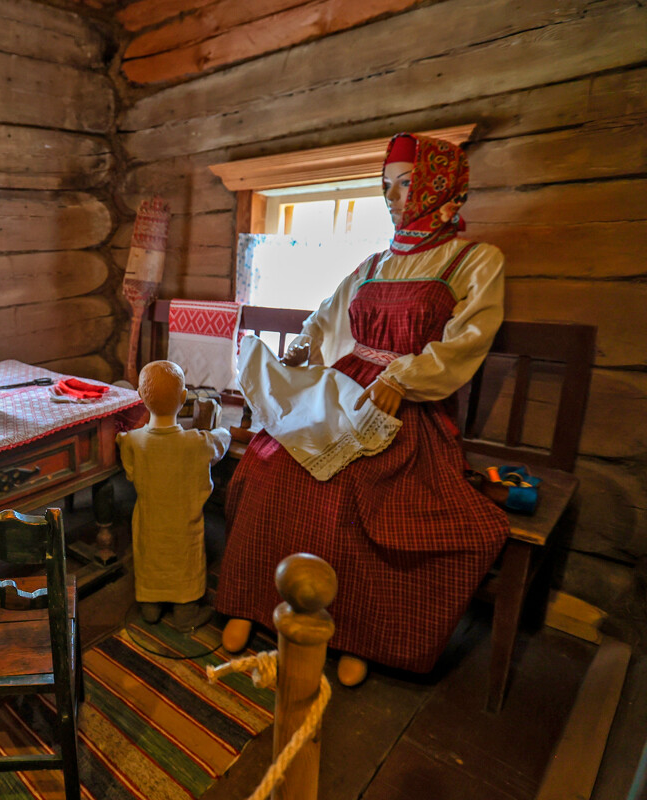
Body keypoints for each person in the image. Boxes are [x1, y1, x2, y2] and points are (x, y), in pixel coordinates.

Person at [216, 133, 510, 686]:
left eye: (407, 183)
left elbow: (470, 338)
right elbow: (329, 317)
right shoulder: (374, 263)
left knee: (364, 490)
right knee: (270, 464)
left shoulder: (474, 260)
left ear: (439, 185)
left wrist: (405, 375)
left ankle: (357, 633)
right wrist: (305, 344)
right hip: (346, 386)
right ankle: (251, 603)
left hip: (405, 403)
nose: (394, 197)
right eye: (386, 186)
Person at [118, 361, 231, 629]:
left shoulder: (133, 442)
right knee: (185, 563)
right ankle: (185, 609)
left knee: (149, 560)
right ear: (183, 398)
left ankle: (150, 606)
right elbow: (220, 441)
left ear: (141, 397)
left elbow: (129, 464)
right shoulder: (197, 443)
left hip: (149, 524)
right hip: (184, 529)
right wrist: (223, 430)